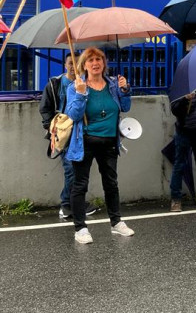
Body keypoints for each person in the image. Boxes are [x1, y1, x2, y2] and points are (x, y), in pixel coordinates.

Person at [65, 47, 134, 244]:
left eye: (99, 59)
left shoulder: (112, 84)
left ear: (104, 63)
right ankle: (80, 228)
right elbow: (73, 115)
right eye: (91, 60)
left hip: (110, 141)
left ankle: (116, 222)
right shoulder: (76, 86)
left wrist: (125, 90)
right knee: (80, 185)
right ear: (84, 65)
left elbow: (125, 107)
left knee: (111, 183)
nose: (95, 63)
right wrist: (80, 94)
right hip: (85, 142)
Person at [39, 52, 96, 220]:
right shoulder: (55, 83)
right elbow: (45, 108)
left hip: (82, 132)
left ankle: (75, 202)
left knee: (80, 170)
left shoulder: (88, 83)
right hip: (63, 133)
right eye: (71, 63)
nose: (73, 66)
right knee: (70, 169)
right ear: (65, 65)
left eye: (77, 63)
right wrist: (52, 129)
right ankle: (66, 204)